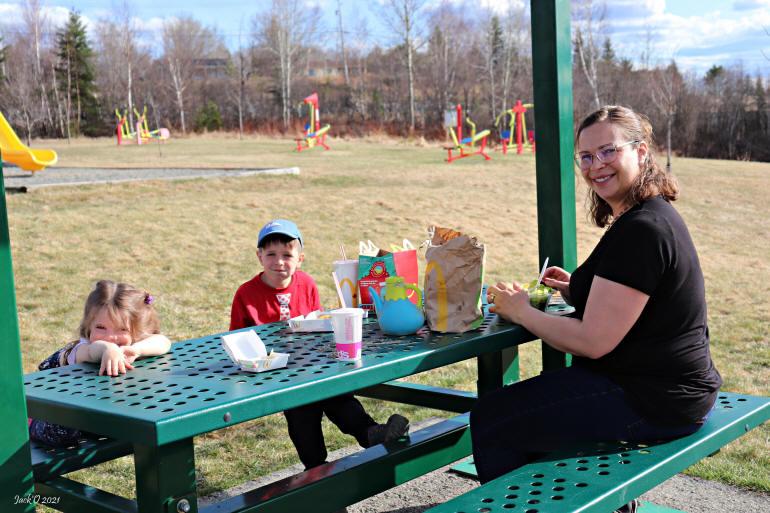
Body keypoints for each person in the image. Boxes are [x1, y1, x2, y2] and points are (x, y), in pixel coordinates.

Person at [474, 106, 722, 512]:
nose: (595, 166)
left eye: (608, 151)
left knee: (493, 419)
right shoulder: (643, 216)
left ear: (641, 152)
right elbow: (639, 298)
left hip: (656, 399)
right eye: (586, 157)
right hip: (665, 389)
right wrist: (578, 287)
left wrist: (521, 310)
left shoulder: (643, 229)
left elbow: (593, 342)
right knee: (539, 410)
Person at [230, 219, 410, 471]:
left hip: (312, 362)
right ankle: (317, 473)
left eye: (287, 255)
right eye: (271, 254)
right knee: (302, 412)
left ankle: (371, 433)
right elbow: (237, 339)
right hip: (275, 373)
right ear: (259, 256)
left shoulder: (306, 284)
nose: (279, 262)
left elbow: (317, 323)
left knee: (338, 396)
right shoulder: (246, 293)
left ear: (300, 258)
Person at [29, 280, 171, 446]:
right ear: (88, 326)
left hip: (91, 412)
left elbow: (163, 342)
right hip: (50, 414)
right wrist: (107, 349)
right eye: (101, 327)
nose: (110, 336)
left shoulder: (130, 346)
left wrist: (138, 349)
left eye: (122, 329)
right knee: (65, 434)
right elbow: (92, 351)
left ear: (136, 330)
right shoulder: (82, 349)